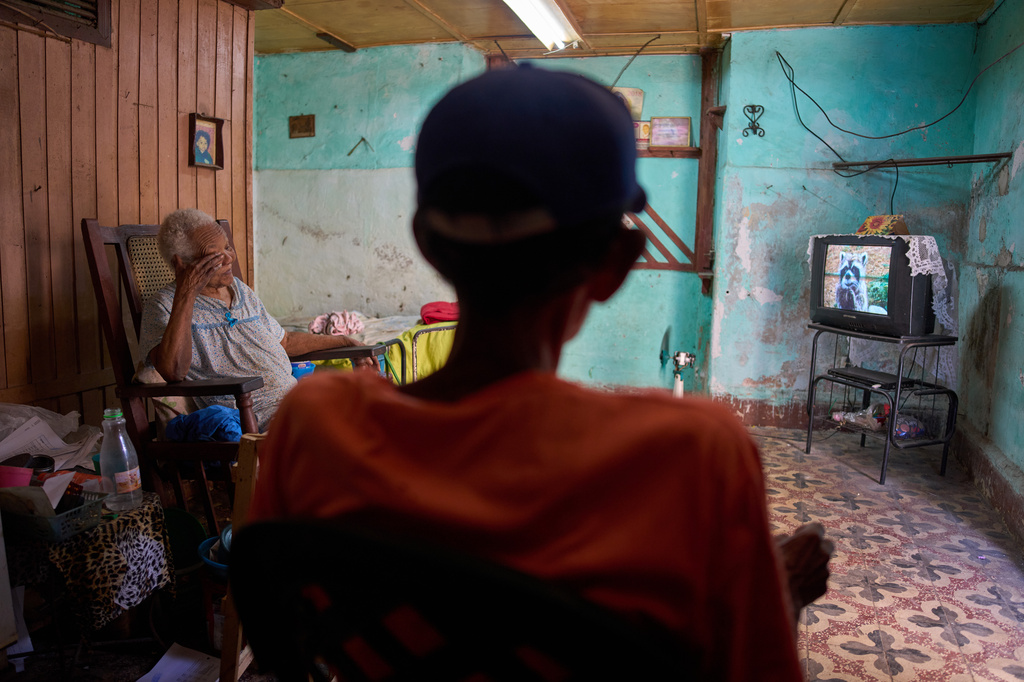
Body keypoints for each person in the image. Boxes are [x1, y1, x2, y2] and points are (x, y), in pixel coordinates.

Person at [248, 66, 830, 681]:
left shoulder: (314, 425)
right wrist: (781, 596)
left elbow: (278, 621)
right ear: (616, 264)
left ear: (427, 243)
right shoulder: (692, 457)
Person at [138, 208, 374, 433]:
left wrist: (344, 341)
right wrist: (186, 293)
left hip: (294, 403)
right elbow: (173, 371)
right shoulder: (165, 305)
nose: (229, 257)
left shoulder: (240, 290)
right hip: (253, 416)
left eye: (228, 247)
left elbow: (285, 340)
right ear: (184, 264)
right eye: (215, 255)